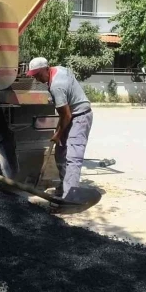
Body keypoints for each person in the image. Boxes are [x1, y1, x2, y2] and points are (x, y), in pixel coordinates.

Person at [26, 57, 93, 200]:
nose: (37, 79)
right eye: (34, 76)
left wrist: (57, 134)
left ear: (46, 68)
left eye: (38, 75)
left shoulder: (57, 86)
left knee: (72, 157)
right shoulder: (59, 70)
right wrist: (59, 133)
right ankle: (65, 186)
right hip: (70, 115)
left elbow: (66, 115)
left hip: (80, 116)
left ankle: (71, 197)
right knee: (61, 153)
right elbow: (65, 114)